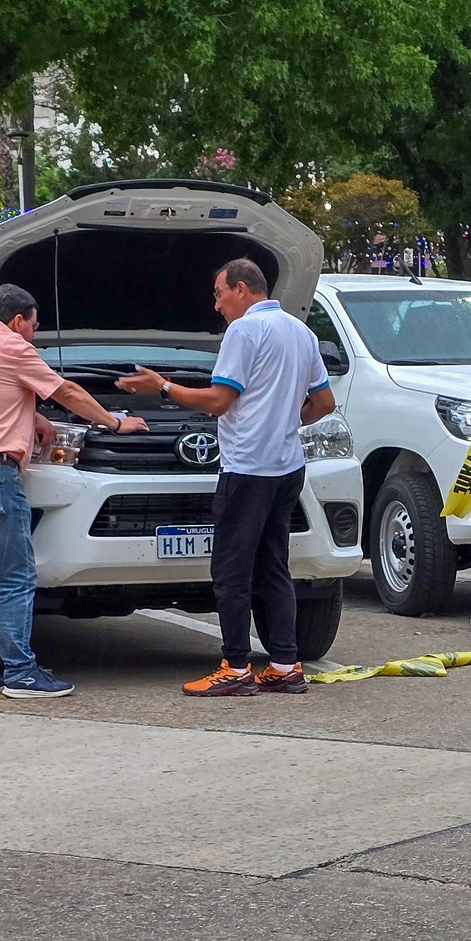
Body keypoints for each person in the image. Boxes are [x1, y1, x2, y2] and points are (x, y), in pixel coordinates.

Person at [118, 258, 336, 695]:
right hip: (287, 466)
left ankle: (235, 667)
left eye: (218, 293)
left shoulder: (244, 331)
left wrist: (161, 387)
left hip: (247, 467)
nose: (216, 305)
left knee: (231, 569)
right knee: (274, 565)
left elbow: (218, 401)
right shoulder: (301, 331)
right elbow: (324, 402)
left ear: (241, 288)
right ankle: (285, 663)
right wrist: (284, 423)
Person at [0, 282, 147, 698]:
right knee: (18, 575)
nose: (33, 333)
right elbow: (66, 391)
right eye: (34, 325)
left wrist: (28, 415)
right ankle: (20, 672)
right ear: (18, 320)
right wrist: (115, 422)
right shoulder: (13, 348)